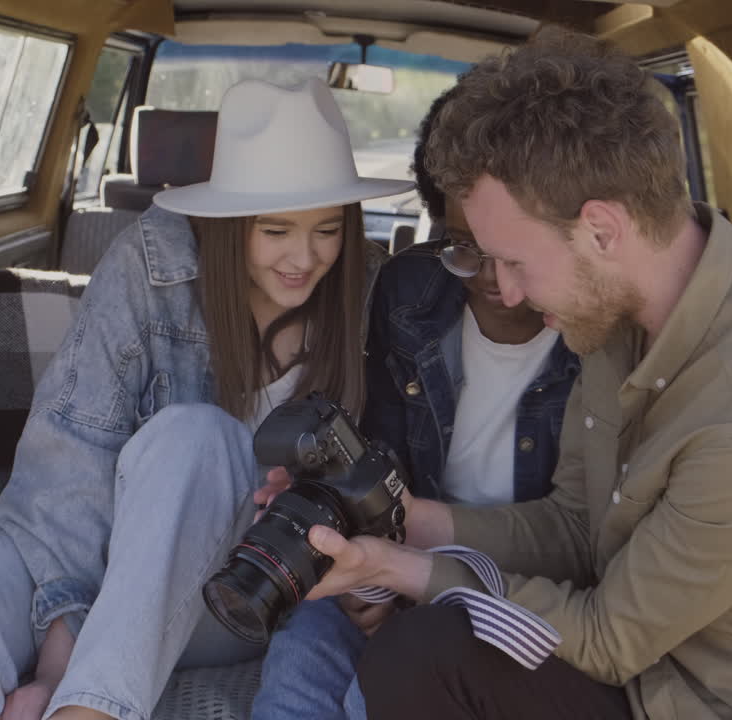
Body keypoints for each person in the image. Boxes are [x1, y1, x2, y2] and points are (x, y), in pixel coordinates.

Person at [290, 31, 732, 720]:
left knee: (421, 650)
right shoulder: (623, 313)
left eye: (514, 261)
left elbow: (606, 639)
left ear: (601, 230)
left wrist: (398, 569)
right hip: (648, 676)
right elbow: (574, 529)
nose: (504, 291)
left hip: (729, 703)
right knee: (420, 652)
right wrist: (405, 522)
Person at [0, 77, 411, 720]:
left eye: (327, 229)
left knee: (196, 437)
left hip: (222, 588)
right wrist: (62, 650)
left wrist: (373, 587)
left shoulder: (371, 294)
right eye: (276, 230)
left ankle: (91, 712)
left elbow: (387, 487)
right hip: (81, 545)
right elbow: (67, 463)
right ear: (229, 221)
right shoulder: (153, 263)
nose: (305, 257)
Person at [249, 87, 580, 720]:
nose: (491, 277)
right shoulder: (409, 293)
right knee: (303, 649)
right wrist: (370, 573)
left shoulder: (597, 332)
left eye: (514, 247)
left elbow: (579, 541)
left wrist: (410, 581)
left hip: (519, 589)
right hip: (400, 551)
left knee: (379, 687)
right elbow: (382, 456)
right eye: (465, 245)